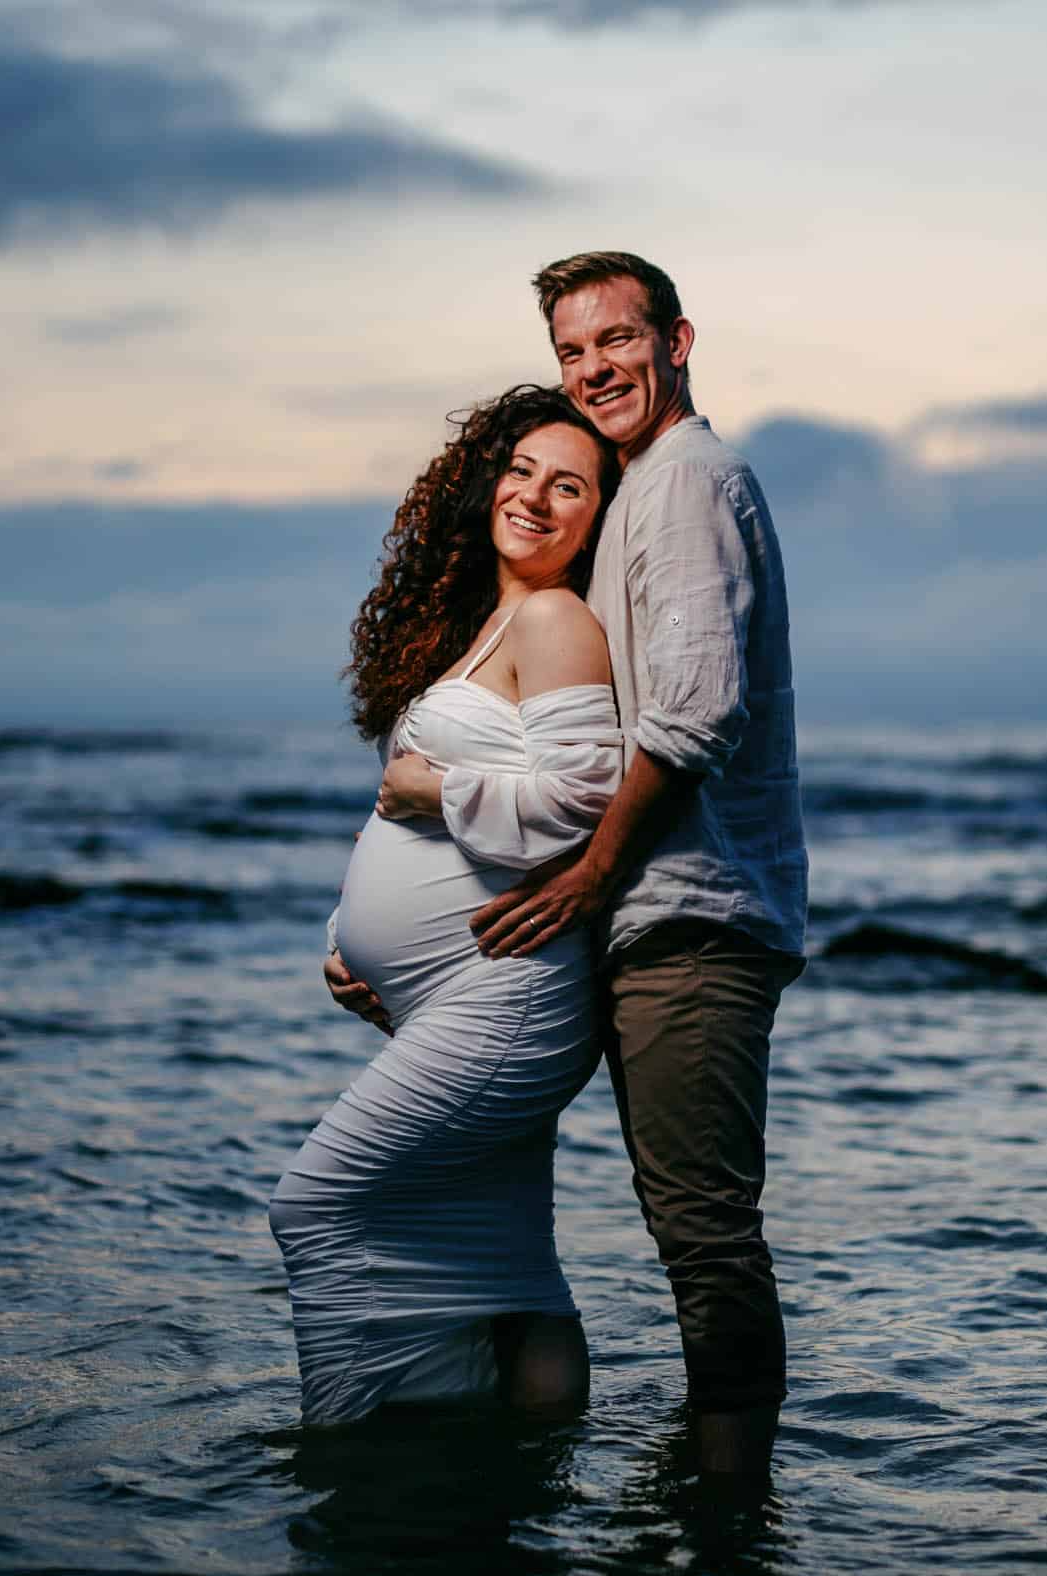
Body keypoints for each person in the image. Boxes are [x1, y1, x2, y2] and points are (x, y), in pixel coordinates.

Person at [470, 252, 808, 1480]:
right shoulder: (642, 488)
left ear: (676, 340)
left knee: (706, 1237)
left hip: (690, 919)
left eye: (615, 340)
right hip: (649, 919)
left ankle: (731, 1520)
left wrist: (589, 878)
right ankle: (704, 1494)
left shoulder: (687, 483)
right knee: (685, 1232)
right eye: (571, 351)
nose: (593, 368)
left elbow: (694, 716)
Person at [273, 384, 625, 1427]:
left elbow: (581, 804)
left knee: (317, 1203)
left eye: (569, 485)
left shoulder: (558, 619)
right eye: (519, 471)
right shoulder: (491, 620)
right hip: (448, 997)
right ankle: (520, 1465)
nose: (533, 496)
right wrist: (347, 943)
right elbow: (389, 820)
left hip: (506, 999)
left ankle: (353, 1460)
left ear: (599, 516)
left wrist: (439, 790)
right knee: (507, 1262)